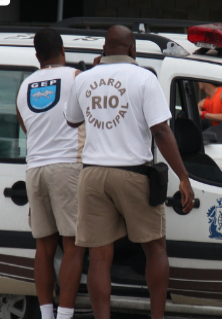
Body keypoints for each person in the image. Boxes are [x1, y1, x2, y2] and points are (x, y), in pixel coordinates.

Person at [64, 25, 194, 319]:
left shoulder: (83, 79)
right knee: (155, 248)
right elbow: (160, 130)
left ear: (104, 50)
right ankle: (157, 317)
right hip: (134, 174)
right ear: (132, 49)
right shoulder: (144, 78)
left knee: (99, 256)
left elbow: (72, 121)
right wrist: (183, 177)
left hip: (93, 176)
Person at [15, 29, 86, 319]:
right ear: (63, 50)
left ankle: (46, 314)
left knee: (43, 248)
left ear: (37, 56)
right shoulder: (76, 77)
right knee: (73, 246)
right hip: (67, 166)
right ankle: (65, 315)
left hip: (35, 169)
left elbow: (26, 127)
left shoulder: (24, 86)